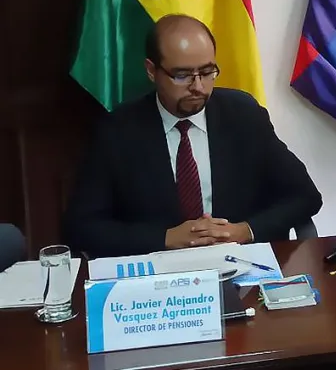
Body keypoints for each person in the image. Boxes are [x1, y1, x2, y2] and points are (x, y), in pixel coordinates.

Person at [64, 15, 322, 257]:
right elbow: (83, 227)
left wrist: (244, 230)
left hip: (240, 266)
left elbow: (305, 196)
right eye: (182, 75)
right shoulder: (119, 130)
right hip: (161, 277)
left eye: (207, 72)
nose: (198, 87)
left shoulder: (244, 116)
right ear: (151, 70)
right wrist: (164, 238)